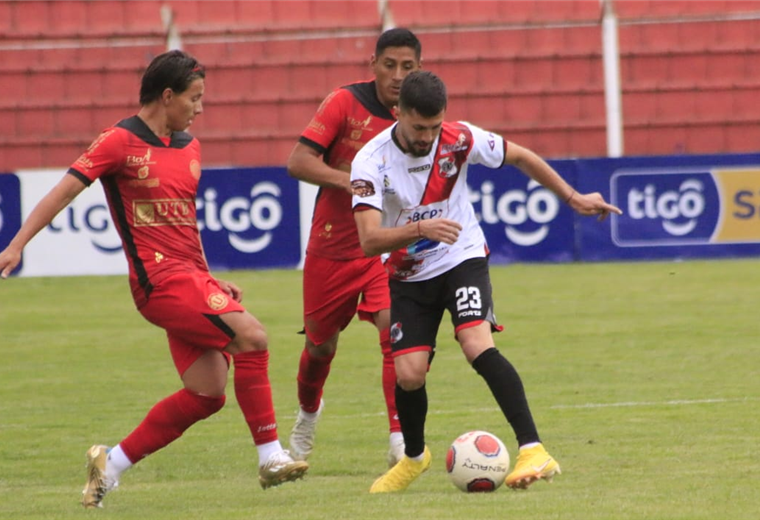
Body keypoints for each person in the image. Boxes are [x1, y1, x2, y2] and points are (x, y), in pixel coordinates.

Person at [0, 50, 308, 508]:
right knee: (253, 337)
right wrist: (17, 244)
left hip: (190, 278)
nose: (200, 108)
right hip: (158, 283)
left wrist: (209, 279)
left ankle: (111, 463)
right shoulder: (117, 141)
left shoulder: (189, 147)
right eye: (194, 98)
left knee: (207, 394)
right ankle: (270, 455)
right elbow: (61, 192)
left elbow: (184, 225)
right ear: (167, 96)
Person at [350, 70, 623, 493]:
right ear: (399, 113)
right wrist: (420, 230)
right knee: (409, 375)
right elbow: (369, 240)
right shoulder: (370, 161)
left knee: (476, 343)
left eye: (434, 126)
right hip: (408, 273)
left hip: (462, 257)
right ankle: (414, 457)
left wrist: (573, 198)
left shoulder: (458, 139)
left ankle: (533, 448)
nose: (427, 136)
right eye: (419, 127)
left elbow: (520, 155)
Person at [285, 28, 422, 467]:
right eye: (390, 65)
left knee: (393, 333)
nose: (398, 76)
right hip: (334, 247)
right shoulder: (344, 103)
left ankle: (400, 439)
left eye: (408, 67)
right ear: (374, 65)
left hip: (387, 248)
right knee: (320, 348)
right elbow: (298, 162)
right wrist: (356, 182)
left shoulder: (421, 111)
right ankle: (308, 413)